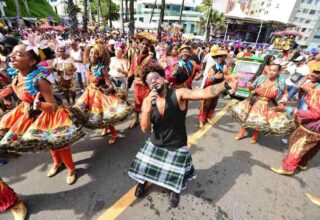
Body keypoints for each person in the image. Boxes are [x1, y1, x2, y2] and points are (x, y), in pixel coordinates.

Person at [128, 64, 230, 207]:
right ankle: (143, 182)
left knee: (174, 173)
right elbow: (145, 129)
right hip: (156, 141)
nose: (154, 82)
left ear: (163, 78)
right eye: (150, 81)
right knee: (146, 166)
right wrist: (147, 110)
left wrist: (225, 85)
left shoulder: (179, 93)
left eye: (156, 78)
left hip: (176, 142)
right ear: (147, 86)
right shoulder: (147, 101)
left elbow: (204, 93)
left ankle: (174, 190)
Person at [1, 36, 84, 185]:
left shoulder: (40, 80)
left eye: (18, 54)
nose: (12, 56)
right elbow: (17, 89)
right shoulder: (16, 74)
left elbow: (53, 105)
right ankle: (57, 163)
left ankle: (71, 168)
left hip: (49, 114)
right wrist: (5, 94)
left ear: (31, 62)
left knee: (58, 143)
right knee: (47, 143)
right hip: (29, 112)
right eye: (12, 53)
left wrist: (39, 105)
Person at [72, 44, 132, 144]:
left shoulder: (102, 69)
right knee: (83, 111)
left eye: (96, 54)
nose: (92, 55)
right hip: (89, 93)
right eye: (91, 53)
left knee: (105, 116)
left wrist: (107, 90)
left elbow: (110, 85)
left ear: (99, 56)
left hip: (99, 95)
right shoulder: (88, 66)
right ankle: (105, 128)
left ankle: (113, 133)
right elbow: (88, 82)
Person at [271, 69, 320, 175]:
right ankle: (303, 163)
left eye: (318, 73)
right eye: (314, 72)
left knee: (297, 144)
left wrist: (288, 110)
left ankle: (287, 168)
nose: (314, 74)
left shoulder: (317, 93)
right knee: (313, 146)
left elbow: (314, 113)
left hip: (313, 127)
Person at [230, 64, 295, 144]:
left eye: (274, 71)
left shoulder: (281, 82)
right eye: (270, 70)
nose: (271, 72)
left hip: (267, 103)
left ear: (279, 71)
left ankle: (255, 136)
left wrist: (284, 99)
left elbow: (285, 93)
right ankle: (241, 133)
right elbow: (252, 88)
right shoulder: (261, 78)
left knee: (260, 121)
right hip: (254, 100)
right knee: (246, 118)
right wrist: (250, 87)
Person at [128, 32, 158, 129]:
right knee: (137, 102)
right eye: (142, 43)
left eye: (146, 44)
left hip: (146, 85)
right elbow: (132, 71)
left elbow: (154, 73)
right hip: (136, 84)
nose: (144, 46)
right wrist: (127, 84)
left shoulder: (151, 59)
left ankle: (151, 121)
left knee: (148, 103)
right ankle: (136, 119)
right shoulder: (134, 56)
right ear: (139, 44)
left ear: (149, 46)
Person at [199, 50, 228, 129]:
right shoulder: (213, 67)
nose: (219, 58)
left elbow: (227, 78)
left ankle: (208, 117)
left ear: (224, 58)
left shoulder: (225, 67)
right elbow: (207, 81)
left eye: (221, 56)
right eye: (218, 56)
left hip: (218, 89)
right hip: (210, 88)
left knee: (213, 104)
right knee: (205, 104)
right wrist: (213, 78)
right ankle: (201, 120)